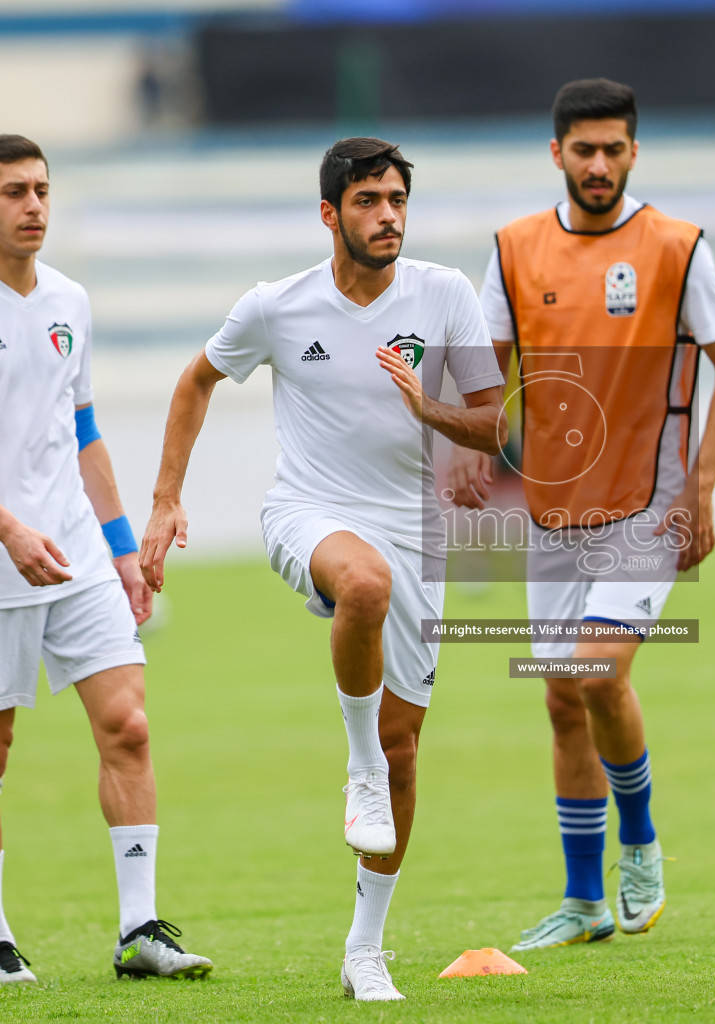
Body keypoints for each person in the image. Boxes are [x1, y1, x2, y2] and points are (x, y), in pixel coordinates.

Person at [139, 138, 506, 1002]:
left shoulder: (444, 294)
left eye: (397, 201)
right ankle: (358, 768)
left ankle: (364, 950)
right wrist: (165, 499)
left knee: (407, 746)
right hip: (308, 510)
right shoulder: (277, 307)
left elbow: (494, 426)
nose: (387, 217)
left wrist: (429, 408)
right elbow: (196, 381)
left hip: (417, 529)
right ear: (330, 213)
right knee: (365, 587)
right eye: (369, 201)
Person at [449, 78, 715, 951]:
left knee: (596, 672)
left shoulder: (676, 247)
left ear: (633, 151)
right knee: (561, 698)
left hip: (647, 508)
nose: (599, 164)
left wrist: (701, 487)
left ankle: (643, 844)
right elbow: (485, 373)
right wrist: (474, 447)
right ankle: (584, 903)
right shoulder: (514, 249)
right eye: (583, 149)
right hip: (553, 515)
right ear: (557, 154)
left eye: (614, 148)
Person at [0, 134, 213, 985]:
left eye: (42, 189)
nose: (34, 205)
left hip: (75, 550)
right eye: (14, 192)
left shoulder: (71, 299)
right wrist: (7, 528)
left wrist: (119, 552)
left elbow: (84, 434)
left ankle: (141, 929)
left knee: (130, 725)